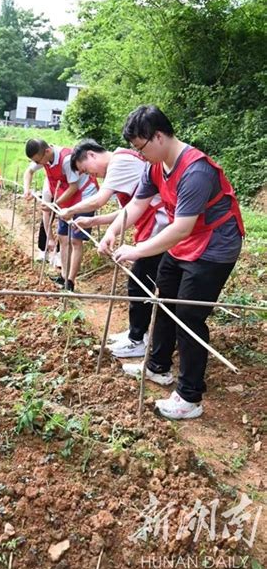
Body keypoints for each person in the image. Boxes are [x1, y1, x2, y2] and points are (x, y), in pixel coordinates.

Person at [99, 105, 244, 420]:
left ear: (159, 136)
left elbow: (181, 227)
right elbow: (136, 205)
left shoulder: (196, 170)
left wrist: (138, 250)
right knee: (163, 299)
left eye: (141, 147)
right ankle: (157, 366)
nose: (140, 154)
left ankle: (190, 397)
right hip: (187, 241)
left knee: (189, 315)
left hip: (215, 245)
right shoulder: (154, 166)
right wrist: (113, 231)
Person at [59, 139, 168, 358]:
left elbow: (98, 200)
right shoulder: (120, 165)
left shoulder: (119, 162)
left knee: (140, 281)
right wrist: (93, 222)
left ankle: (138, 340)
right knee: (142, 281)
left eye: (85, 170)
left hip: (161, 225)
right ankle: (136, 334)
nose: (91, 176)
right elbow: (126, 212)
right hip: (152, 224)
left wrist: (69, 210)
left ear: (91, 155)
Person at [23, 139, 98, 291]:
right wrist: (27, 190)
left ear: (47, 152)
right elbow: (28, 171)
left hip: (84, 195)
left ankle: (70, 281)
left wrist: (54, 204)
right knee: (63, 238)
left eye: (38, 160)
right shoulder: (44, 158)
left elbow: (74, 187)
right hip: (65, 198)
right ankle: (63, 276)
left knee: (75, 240)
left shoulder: (66, 159)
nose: (39, 164)